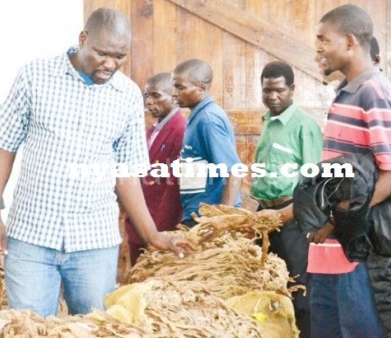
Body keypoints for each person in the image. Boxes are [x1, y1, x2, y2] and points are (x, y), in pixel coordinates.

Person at [0, 8, 194, 317]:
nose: (110, 64)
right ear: (83, 39)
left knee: (95, 328)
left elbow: (126, 175)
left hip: (95, 243)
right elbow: (4, 147)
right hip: (30, 237)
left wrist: (151, 234)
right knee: (28, 328)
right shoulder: (35, 76)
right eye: (102, 53)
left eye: (119, 56)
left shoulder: (127, 95)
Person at [260, 4, 391, 337]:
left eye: (322, 40)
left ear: (348, 42)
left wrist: (334, 221)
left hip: (357, 255)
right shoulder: (344, 94)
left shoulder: (375, 91)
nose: (317, 49)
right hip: (328, 253)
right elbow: (336, 183)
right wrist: (280, 215)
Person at [250, 60, 322, 337]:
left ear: (292, 89)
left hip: (293, 218)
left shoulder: (305, 126)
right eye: (267, 91)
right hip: (265, 218)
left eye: (279, 90)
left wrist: (287, 214)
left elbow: (314, 183)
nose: (272, 96)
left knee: (299, 289)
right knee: (267, 285)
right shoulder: (267, 122)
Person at [171, 59, 242, 227]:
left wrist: (222, 221)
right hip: (196, 214)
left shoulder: (208, 120)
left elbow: (235, 172)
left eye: (180, 87)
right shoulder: (197, 117)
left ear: (201, 89)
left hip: (208, 219)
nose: (174, 93)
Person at [124, 72, 186, 265]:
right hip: (140, 222)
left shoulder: (180, 130)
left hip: (160, 226)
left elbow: (174, 187)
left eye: (156, 96)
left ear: (173, 97)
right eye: (146, 96)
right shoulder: (151, 130)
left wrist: (158, 231)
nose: (149, 102)